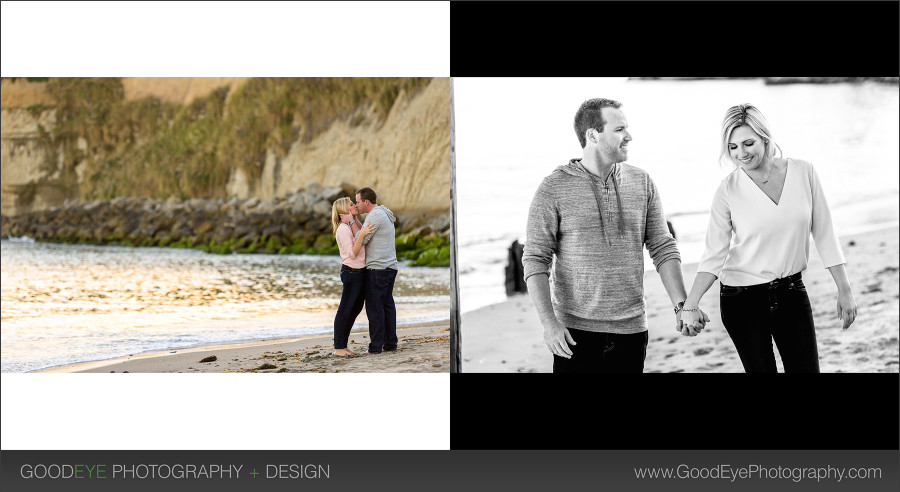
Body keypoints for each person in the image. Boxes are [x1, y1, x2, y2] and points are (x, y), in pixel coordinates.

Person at [522, 98, 709, 373]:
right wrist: (549, 324)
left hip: (632, 332)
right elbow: (536, 259)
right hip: (575, 334)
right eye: (619, 129)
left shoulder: (641, 181)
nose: (629, 136)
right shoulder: (553, 187)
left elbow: (662, 246)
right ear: (593, 135)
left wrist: (681, 305)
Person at [680, 104, 858, 373]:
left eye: (748, 143)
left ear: (765, 137)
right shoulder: (728, 190)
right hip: (741, 299)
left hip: (791, 292)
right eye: (732, 147)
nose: (741, 153)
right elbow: (714, 254)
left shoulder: (804, 172)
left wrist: (844, 289)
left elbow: (824, 233)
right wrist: (690, 304)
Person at [353, 187, 400, 354]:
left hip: (377, 269)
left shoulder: (374, 215)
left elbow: (362, 239)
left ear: (366, 202)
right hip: (390, 267)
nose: (356, 205)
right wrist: (358, 223)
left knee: (374, 308)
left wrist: (351, 221)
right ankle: (390, 343)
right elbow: (365, 231)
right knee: (387, 305)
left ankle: (375, 347)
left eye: (358, 202)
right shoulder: (384, 212)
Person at [331, 197, 376, 357]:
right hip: (351, 272)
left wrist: (356, 225)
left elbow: (363, 237)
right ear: (344, 210)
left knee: (355, 309)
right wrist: (362, 234)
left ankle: (344, 346)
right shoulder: (343, 229)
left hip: (360, 271)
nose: (355, 205)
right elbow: (352, 253)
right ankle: (338, 348)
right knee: (345, 309)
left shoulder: (353, 224)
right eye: (351, 204)